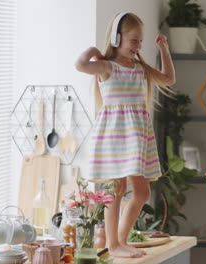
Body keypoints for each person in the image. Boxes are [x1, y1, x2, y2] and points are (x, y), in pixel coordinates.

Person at [75, 12, 175, 258]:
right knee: (116, 190)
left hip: (136, 136)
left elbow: (169, 79)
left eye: (141, 41)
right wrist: (93, 49)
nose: (138, 46)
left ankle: (119, 240)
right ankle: (114, 243)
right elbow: (80, 65)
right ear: (118, 38)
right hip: (114, 136)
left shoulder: (140, 68)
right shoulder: (107, 67)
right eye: (134, 40)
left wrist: (164, 49)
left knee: (142, 193)